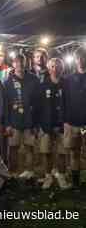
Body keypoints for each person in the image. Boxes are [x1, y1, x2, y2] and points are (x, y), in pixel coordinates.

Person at [4, 54, 40, 179]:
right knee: (13, 148)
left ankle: (29, 171)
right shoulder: (7, 82)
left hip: (30, 121)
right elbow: (6, 105)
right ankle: (13, 172)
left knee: (30, 147)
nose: (19, 64)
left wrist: (36, 123)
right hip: (14, 121)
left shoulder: (34, 79)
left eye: (22, 62)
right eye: (17, 62)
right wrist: (7, 124)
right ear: (13, 64)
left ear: (26, 63)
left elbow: (37, 103)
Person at [39, 58, 70, 190]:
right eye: (52, 66)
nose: (55, 69)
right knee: (46, 152)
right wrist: (42, 125)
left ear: (62, 68)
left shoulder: (67, 84)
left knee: (62, 152)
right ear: (48, 68)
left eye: (58, 66)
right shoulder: (43, 85)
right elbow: (38, 106)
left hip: (63, 125)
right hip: (47, 126)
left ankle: (61, 176)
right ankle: (48, 176)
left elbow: (70, 104)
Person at [63, 47, 86, 188]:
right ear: (76, 60)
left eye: (83, 57)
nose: (81, 60)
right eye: (79, 58)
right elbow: (64, 100)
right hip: (72, 122)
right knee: (74, 153)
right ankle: (76, 182)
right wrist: (65, 120)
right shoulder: (68, 79)